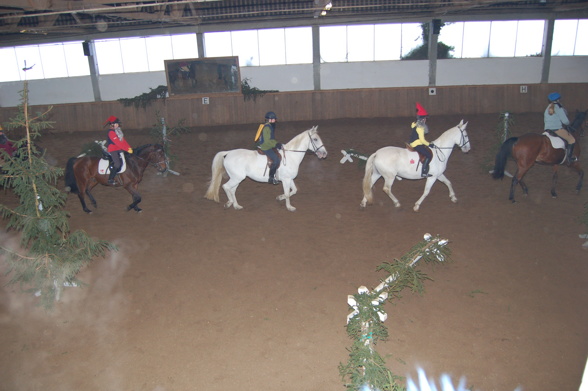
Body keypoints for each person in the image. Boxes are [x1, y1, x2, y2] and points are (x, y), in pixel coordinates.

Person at [544, 92, 576, 164]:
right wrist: (568, 123)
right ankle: (569, 158)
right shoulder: (559, 108)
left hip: (547, 129)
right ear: (558, 100)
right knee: (572, 140)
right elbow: (565, 121)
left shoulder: (548, 108)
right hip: (557, 129)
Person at [255, 111, 283, 185]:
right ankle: (271, 177)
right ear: (269, 119)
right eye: (274, 119)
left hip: (268, 144)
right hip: (265, 146)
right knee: (276, 160)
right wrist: (275, 144)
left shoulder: (269, 126)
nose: (275, 120)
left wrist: (276, 143)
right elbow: (267, 141)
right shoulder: (267, 128)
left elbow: (272, 139)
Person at [104, 115, 133, 185]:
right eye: (116, 124)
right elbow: (117, 143)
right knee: (117, 164)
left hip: (119, 148)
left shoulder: (118, 131)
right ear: (112, 124)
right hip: (113, 149)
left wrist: (129, 148)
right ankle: (110, 179)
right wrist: (126, 149)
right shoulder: (111, 132)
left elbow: (123, 141)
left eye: (118, 124)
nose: (117, 125)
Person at [409, 102, 435, 177]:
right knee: (429, 155)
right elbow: (422, 140)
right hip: (417, 144)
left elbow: (412, 126)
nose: (426, 120)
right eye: (425, 118)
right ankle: (424, 172)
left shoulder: (415, 124)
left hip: (411, 142)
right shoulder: (420, 128)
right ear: (423, 119)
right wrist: (429, 144)